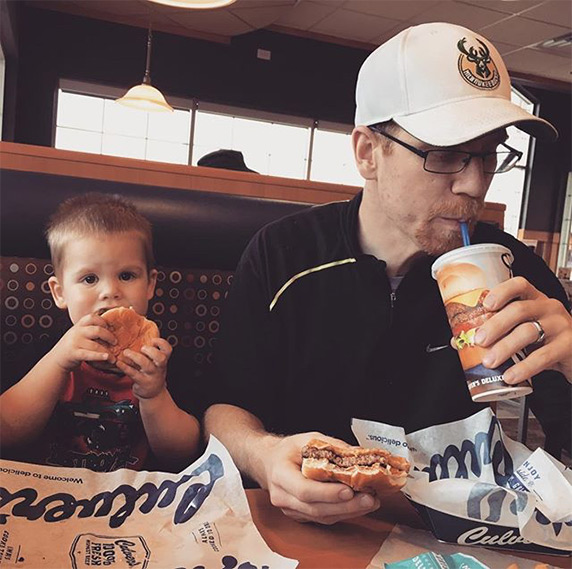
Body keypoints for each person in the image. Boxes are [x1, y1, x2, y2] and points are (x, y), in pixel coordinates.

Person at [203, 22, 572, 524]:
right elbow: (224, 406)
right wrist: (263, 456)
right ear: (367, 152)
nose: (475, 184)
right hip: (303, 530)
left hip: (453, 537)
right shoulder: (283, 253)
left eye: (489, 156)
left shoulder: (516, 272)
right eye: (445, 155)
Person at [0, 193, 200, 472]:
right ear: (60, 292)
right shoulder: (42, 353)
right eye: (89, 279)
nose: (110, 292)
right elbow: (6, 433)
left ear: (150, 285)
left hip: (133, 500)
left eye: (127, 275)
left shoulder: (163, 361)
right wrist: (58, 361)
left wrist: (154, 395)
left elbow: (183, 454)